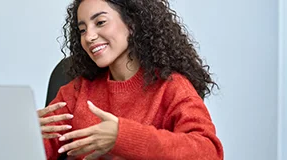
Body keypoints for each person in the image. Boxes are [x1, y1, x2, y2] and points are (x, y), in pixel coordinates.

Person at [37, 0, 224, 159]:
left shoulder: (171, 87)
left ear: (132, 23)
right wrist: (25, 134)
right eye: (82, 30)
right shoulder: (77, 90)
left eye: (100, 22)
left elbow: (208, 151)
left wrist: (122, 136)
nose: (89, 37)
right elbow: (38, 150)